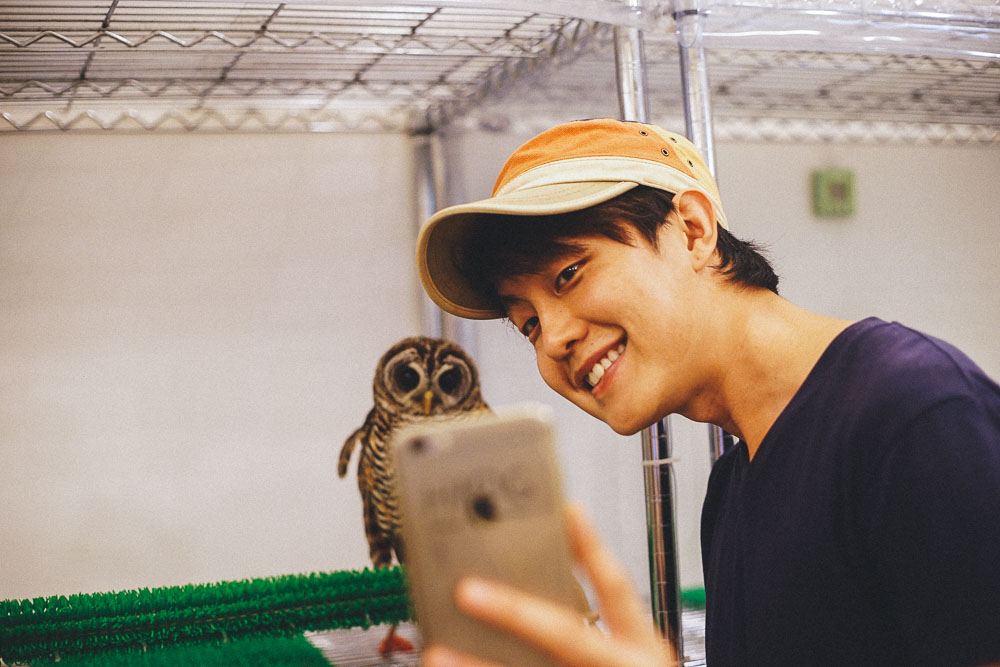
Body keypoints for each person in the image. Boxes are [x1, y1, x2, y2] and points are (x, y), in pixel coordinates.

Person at [413, 118, 1000, 666]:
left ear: (693, 231)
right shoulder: (732, 486)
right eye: (529, 325)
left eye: (569, 274)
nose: (554, 340)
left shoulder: (915, 417)